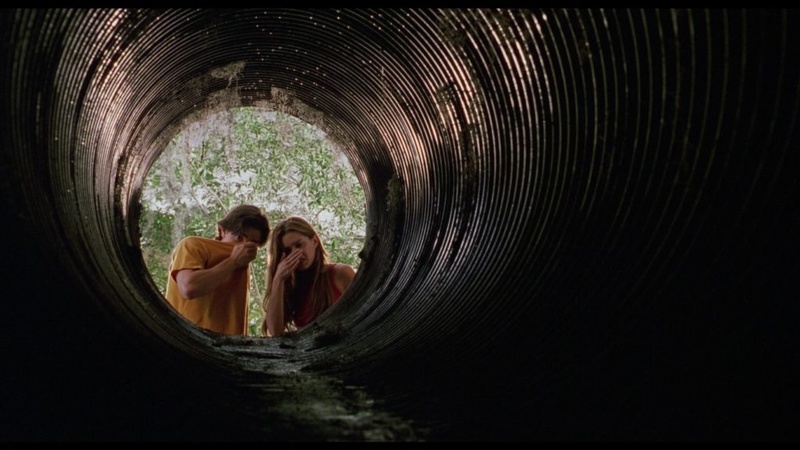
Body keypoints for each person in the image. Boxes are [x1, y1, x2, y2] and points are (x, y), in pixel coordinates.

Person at [165, 204, 270, 335]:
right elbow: (189, 287)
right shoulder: (192, 245)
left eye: (252, 244)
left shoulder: (244, 266)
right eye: (239, 237)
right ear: (222, 231)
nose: (243, 247)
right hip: (184, 339)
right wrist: (233, 262)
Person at [261, 216, 356, 337]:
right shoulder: (291, 287)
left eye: (299, 245)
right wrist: (278, 279)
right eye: (288, 251)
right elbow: (275, 332)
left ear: (315, 241)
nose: (296, 253)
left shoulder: (340, 273)